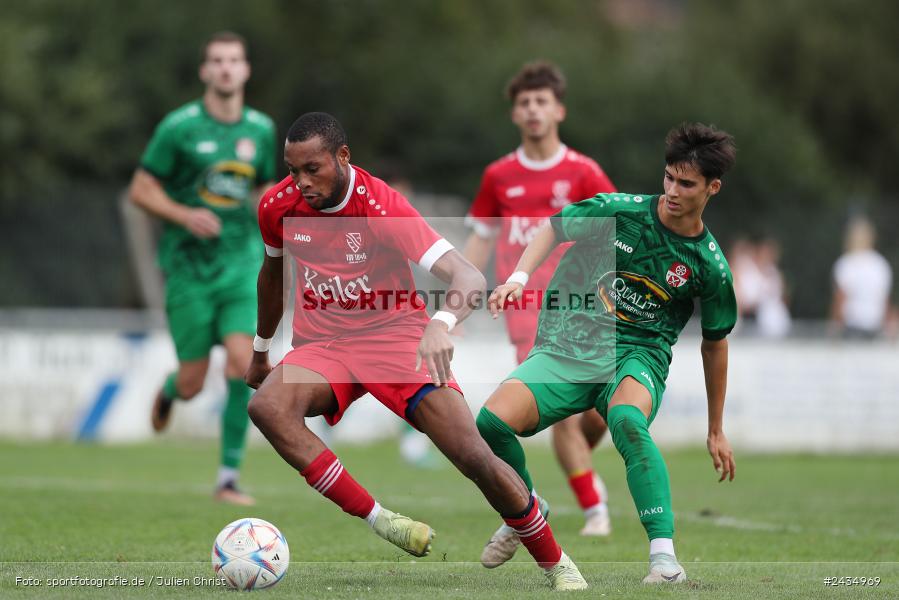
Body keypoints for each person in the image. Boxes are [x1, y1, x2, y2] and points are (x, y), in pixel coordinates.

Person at [245, 112, 588, 590]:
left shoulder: (381, 205)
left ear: (343, 157)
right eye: (292, 170)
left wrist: (441, 324)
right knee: (267, 408)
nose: (300, 182)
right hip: (324, 344)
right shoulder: (277, 205)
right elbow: (272, 276)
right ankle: (382, 520)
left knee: (473, 456)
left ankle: (556, 562)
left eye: (312, 169)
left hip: (395, 338)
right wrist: (262, 349)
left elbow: (468, 276)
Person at [477, 123, 738, 584]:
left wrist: (715, 428)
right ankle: (527, 508)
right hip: (571, 344)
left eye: (687, 184)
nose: (672, 191)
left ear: (712, 188)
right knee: (490, 424)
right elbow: (554, 227)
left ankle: (664, 560)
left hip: (638, 355)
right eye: (669, 177)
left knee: (626, 421)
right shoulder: (620, 211)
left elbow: (715, 344)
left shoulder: (710, 266)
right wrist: (517, 278)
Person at [462, 62, 617, 559]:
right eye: (524, 103)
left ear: (559, 111)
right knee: (564, 418)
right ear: (515, 114)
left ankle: (573, 474)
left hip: (585, 309)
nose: (532, 110)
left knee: (596, 413)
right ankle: (594, 508)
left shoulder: (583, 172)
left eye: (541, 101)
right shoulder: (498, 176)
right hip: (528, 310)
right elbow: (480, 241)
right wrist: (454, 308)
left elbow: (619, 229)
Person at [127, 31, 277, 505]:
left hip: (240, 265)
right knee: (193, 382)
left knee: (241, 362)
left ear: (245, 70)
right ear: (205, 71)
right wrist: (183, 215)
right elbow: (140, 189)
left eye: (234, 60)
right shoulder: (179, 127)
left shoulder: (261, 130)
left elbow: (264, 190)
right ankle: (171, 390)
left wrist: (281, 224)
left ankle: (227, 478)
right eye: (217, 60)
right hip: (189, 270)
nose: (226, 68)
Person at [830, 218, 893, 339]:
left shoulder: (845, 264)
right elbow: (885, 301)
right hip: (875, 327)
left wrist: (835, 330)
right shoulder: (881, 264)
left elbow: (840, 300)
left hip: (852, 327)